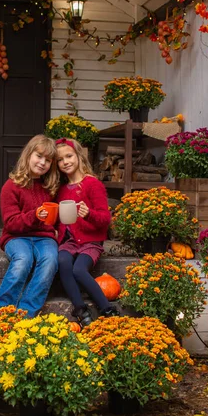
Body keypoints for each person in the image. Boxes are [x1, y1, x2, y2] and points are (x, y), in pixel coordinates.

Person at [0, 135, 59, 317]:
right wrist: (35, 215)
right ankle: (0, 309)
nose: (42, 163)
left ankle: (26, 312)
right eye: (39, 156)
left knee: (50, 259)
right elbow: (11, 223)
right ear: (28, 155)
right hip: (16, 237)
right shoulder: (11, 186)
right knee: (23, 260)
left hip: (44, 237)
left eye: (48, 160)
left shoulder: (49, 187)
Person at [56, 137, 118, 327]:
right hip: (70, 242)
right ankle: (81, 310)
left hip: (91, 242)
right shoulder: (62, 189)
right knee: (62, 262)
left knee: (78, 270)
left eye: (69, 156)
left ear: (79, 156)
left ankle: (106, 308)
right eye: (60, 159)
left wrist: (89, 214)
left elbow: (105, 219)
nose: (65, 162)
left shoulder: (92, 184)